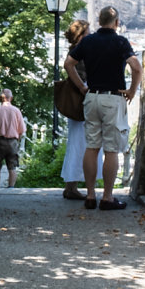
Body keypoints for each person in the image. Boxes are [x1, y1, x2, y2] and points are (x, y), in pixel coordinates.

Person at [64, 6, 143, 211]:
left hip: (91, 97)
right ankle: (107, 197)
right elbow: (136, 66)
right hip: (112, 98)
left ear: (99, 21)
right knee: (111, 150)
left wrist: (82, 86)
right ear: (116, 23)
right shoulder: (120, 42)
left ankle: (90, 195)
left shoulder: (88, 41)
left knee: (92, 146)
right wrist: (132, 90)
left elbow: (68, 64)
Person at [60, 19, 103, 200]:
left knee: (77, 143)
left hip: (78, 99)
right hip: (83, 98)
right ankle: (72, 186)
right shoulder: (81, 51)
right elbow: (73, 69)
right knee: (81, 143)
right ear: (81, 35)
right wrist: (83, 87)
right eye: (88, 32)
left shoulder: (77, 50)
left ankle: (72, 185)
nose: (91, 35)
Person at [0, 88, 27, 188]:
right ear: (11, 98)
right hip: (12, 143)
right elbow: (21, 131)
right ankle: (10, 188)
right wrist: (17, 142)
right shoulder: (17, 111)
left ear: (0, 98)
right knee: (12, 168)